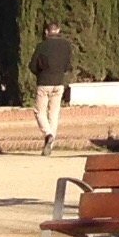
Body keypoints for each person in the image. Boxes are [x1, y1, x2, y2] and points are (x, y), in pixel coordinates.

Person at [29, 22, 76, 153]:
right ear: (58, 30)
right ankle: (51, 143)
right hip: (59, 82)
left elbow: (33, 65)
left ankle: (47, 134)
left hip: (44, 82)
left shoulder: (41, 46)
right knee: (54, 113)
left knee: (39, 112)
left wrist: (40, 73)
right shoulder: (66, 45)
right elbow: (68, 65)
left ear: (46, 32)